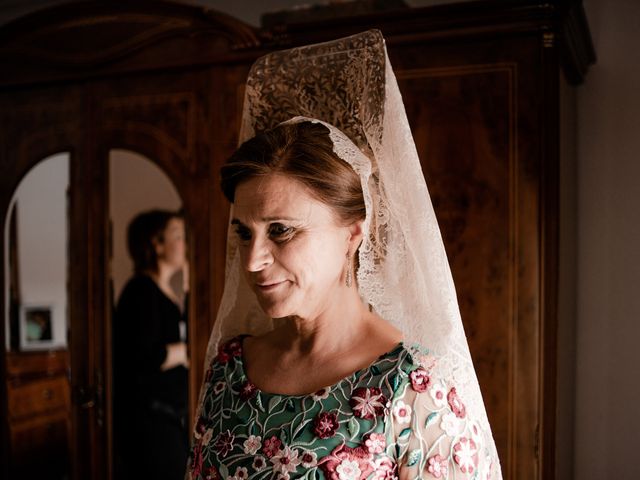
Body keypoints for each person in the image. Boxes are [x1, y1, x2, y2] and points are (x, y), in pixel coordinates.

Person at [188, 31, 502, 480]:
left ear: (353, 234)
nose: (254, 259)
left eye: (281, 231)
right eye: (244, 232)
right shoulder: (230, 368)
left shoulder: (414, 389)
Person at [113, 209, 190, 480]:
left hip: (170, 416)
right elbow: (139, 356)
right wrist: (185, 352)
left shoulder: (168, 291)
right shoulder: (140, 291)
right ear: (156, 244)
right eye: (178, 236)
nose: (186, 242)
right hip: (148, 421)